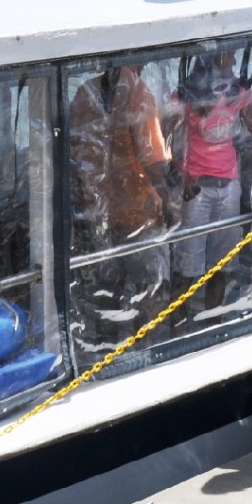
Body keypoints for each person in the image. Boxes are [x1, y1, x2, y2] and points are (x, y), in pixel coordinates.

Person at [67, 64, 177, 357]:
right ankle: (145, 353)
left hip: (99, 214)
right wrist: (167, 201)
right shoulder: (138, 92)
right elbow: (152, 157)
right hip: (138, 213)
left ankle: (107, 354)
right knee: (148, 292)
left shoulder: (83, 93)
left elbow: (74, 154)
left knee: (108, 291)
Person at [168, 53, 252, 314]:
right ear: (213, 58)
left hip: (228, 185)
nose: (233, 59)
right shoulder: (186, 95)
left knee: (222, 264)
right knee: (186, 266)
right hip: (196, 187)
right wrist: (179, 173)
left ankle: (212, 321)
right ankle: (178, 328)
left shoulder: (238, 92)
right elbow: (165, 137)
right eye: (228, 54)